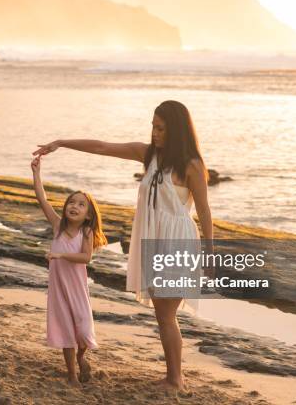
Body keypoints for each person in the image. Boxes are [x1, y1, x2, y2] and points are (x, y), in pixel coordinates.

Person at [32, 100, 214, 391]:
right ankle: (173, 376)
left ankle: (175, 379)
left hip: (177, 241)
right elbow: (103, 147)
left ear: (177, 130)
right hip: (153, 239)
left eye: (161, 128)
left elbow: (204, 211)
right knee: (163, 314)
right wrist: (61, 143)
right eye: (153, 126)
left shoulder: (192, 165)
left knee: (167, 314)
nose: (154, 133)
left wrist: (210, 253)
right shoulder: (148, 155)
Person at [31, 154, 108, 387]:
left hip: (77, 289)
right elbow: (41, 198)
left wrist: (60, 255)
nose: (74, 206)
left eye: (81, 204)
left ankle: (81, 357)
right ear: (65, 208)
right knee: (65, 331)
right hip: (59, 290)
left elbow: (86, 257)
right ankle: (72, 375)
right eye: (71, 202)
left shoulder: (86, 232)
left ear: (89, 214)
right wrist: (36, 174)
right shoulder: (57, 225)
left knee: (83, 330)